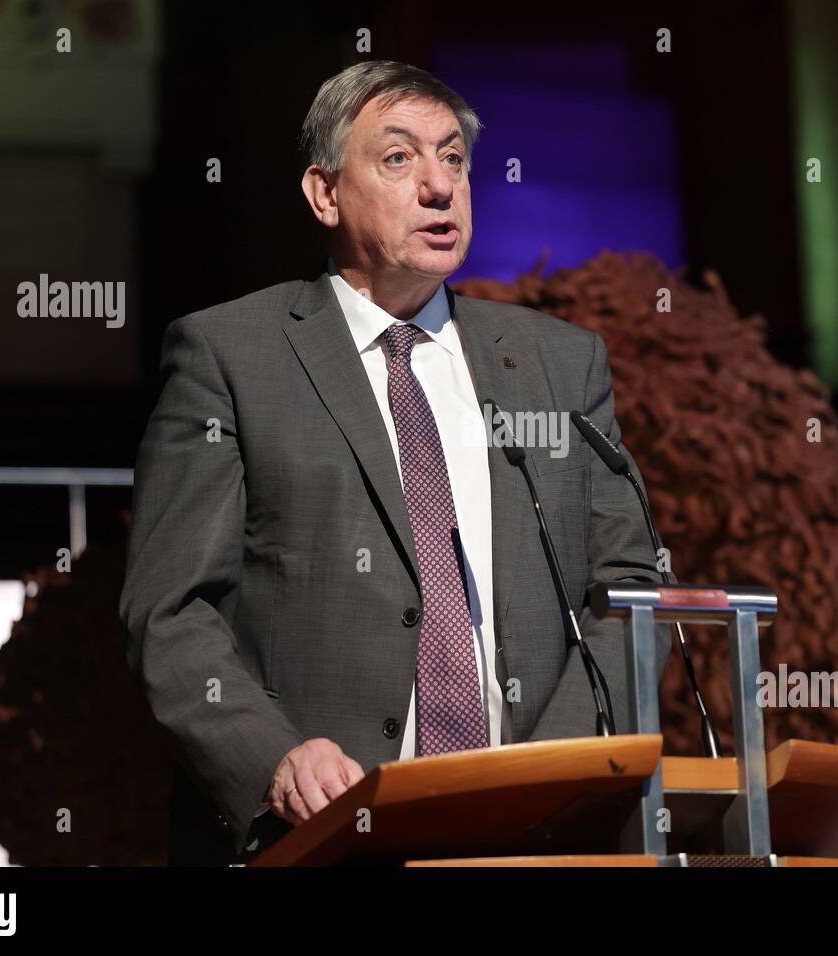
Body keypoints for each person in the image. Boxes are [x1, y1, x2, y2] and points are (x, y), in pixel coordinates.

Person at [119, 60, 669, 866]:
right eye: (400, 158)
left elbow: (628, 592)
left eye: (453, 158)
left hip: (537, 837)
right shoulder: (230, 356)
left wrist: (542, 779)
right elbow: (169, 611)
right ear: (324, 192)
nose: (440, 186)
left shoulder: (558, 364)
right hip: (322, 831)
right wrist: (274, 757)